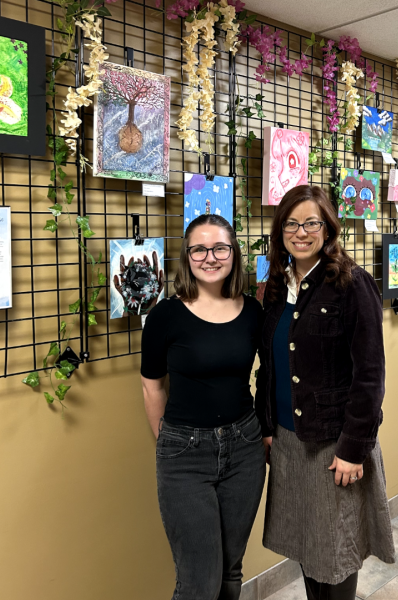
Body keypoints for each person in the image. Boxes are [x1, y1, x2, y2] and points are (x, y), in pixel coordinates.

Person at [256, 185, 395, 600]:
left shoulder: (353, 285)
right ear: (280, 231)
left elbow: (370, 376)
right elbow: (270, 365)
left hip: (332, 447)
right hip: (286, 443)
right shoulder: (278, 289)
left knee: (334, 560)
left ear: (328, 228)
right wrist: (266, 425)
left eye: (311, 223)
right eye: (291, 224)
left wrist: (353, 448)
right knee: (307, 550)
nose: (301, 232)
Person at [140, 214, 266, 600]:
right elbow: (151, 387)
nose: (210, 257)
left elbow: (273, 373)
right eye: (199, 248)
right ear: (187, 255)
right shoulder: (164, 316)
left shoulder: (253, 312)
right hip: (184, 454)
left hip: (245, 448)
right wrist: (171, 443)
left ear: (234, 254)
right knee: (199, 583)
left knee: (230, 572)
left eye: (220, 248)